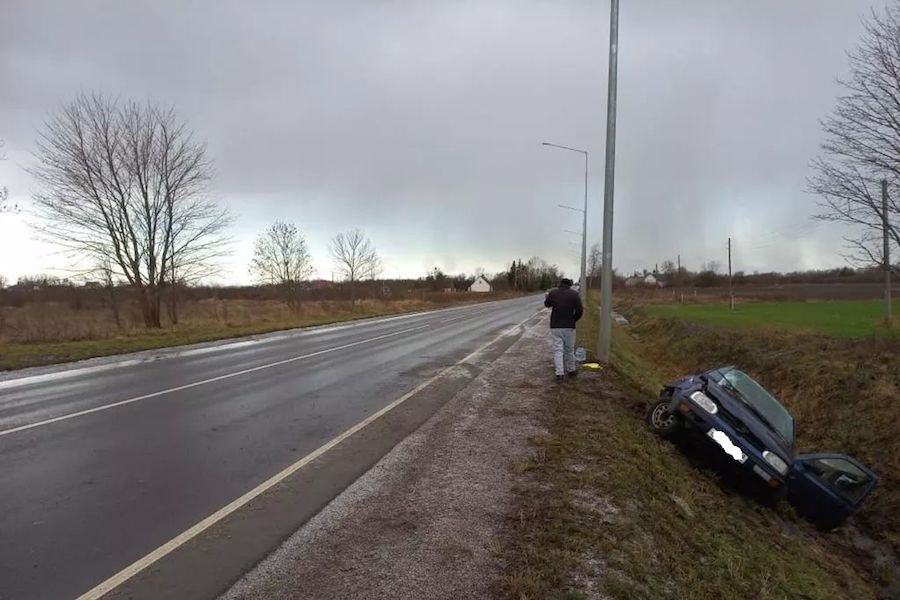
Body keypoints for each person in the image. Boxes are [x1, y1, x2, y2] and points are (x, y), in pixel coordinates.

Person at [544, 278, 584, 383]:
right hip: (569, 326)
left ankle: (559, 374)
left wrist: (547, 297)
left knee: (558, 349)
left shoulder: (553, 293)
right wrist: (574, 319)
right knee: (569, 349)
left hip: (555, 326)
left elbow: (547, 305)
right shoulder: (574, 294)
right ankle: (571, 370)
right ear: (569, 285)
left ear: (560, 284)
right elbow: (580, 310)